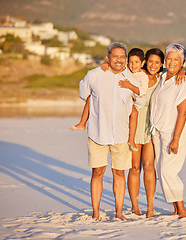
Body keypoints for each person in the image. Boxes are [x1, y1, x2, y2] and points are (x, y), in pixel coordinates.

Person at [79, 42, 145, 220]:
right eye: (115, 56)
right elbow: (83, 93)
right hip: (97, 133)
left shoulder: (131, 80)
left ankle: (119, 212)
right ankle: (95, 212)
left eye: (122, 57)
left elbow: (139, 102)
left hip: (121, 135)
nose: (119, 60)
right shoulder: (94, 75)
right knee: (98, 172)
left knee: (119, 173)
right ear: (108, 57)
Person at [69, 48, 149, 152]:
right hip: (119, 99)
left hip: (132, 101)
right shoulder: (126, 70)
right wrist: (106, 63)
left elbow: (142, 92)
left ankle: (131, 139)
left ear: (142, 63)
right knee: (91, 98)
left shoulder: (143, 76)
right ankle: (82, 123)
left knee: (134, 113)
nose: (133, 65)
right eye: (131, 62)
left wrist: (130, 86)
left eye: (137, 62)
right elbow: (115, 64)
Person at [150, 43, 186, 218]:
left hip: (174, 132)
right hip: (158, 130)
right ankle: (175, 207)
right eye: (169, 58)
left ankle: (182, 209)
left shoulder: (183, 82)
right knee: (161, 170)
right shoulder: (163, 77)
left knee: (168, 171)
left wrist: (176, 138)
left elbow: (183, 113)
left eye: (176, 59)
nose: (172, 62)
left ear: (182, 63)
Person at [127, 48, 164, 218]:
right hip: (133, 124)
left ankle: (150, 207)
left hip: (151, 126)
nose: (153, 65)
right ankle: (135, 206)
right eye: (150, 61)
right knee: (135, 167)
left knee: (149, 166)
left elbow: (181, 71)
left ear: (161, 64)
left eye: (157, 62)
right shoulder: (134, 74)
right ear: (144, 62)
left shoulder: (162, 79)